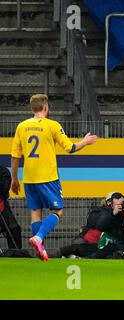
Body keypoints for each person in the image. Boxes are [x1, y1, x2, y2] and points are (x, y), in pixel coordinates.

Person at [10, 94, 97, 261]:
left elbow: (15, 155)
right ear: (45, 108)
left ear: (31, 108)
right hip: (47, 176)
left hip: (28, 177)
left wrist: (15, 178)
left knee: (36, 211)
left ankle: (39, 250)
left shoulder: (21, 126)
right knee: (57, 210)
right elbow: (70, 147)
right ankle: (39, 237)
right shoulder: (52, 125)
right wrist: (85, 141)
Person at [87, 192, 124, 259]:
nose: (121, 207)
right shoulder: (110, 212)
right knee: (84, 248)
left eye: (122, 204)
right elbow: (100, 227)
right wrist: (113, 214)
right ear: (112, 206)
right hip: (112, 244)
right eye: (117, 205)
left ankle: (86, 259)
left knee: (110, 249)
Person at [57, 194, 111, 259]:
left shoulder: (118, 215)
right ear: (108, 202)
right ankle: (63, 254)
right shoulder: (97, 211)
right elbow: (93, 222)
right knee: (76, 246)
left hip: (97, 243)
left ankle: (69, 256)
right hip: (85, 239)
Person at [0, 165, 22, 251]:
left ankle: (15, 254)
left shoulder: (3, 171)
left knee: (14, 229)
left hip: (1, 206)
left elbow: (5, 189)